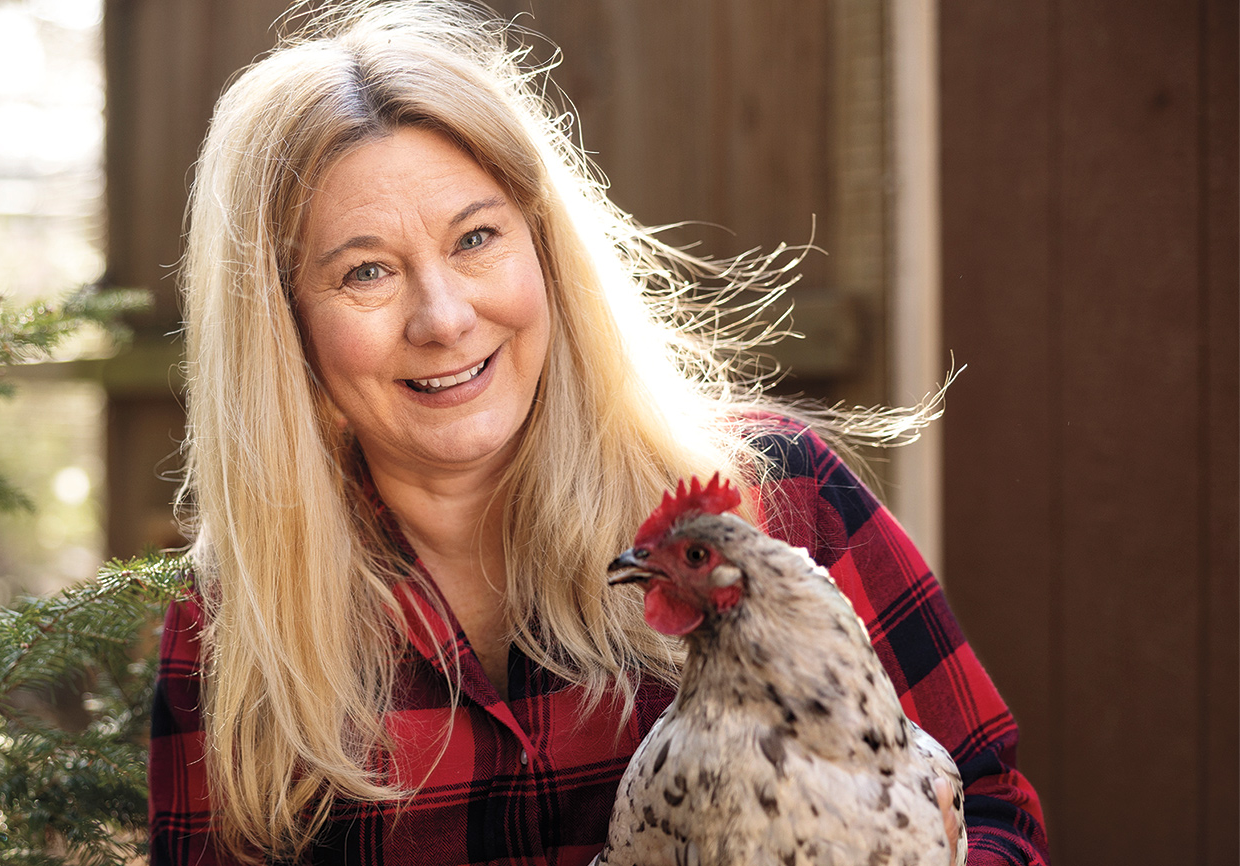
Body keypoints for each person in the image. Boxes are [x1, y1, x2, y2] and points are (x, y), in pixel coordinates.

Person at [149, 2, 1049, 864]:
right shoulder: (242, 621)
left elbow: (989, 806)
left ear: (545, 246)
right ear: (283, 323)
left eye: (475, 240)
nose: (445, 317)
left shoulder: (776, 498)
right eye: (367, 272)